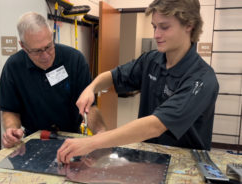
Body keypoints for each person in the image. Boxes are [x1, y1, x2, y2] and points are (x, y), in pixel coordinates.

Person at [57, 0, 219, 163]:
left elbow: (155, 125)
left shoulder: (202, 78)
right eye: (154, 26)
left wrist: (92, 142)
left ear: (189, 25)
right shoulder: (151, 60)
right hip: (148, 159)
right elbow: (113, 76)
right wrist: (91, 88)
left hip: (185, 165)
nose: (156, 34)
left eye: (164, 27)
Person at [0, 12, 106, 148]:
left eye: (49, 46)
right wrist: (12, 130)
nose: (45, 56)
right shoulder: (13, 67)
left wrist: (101, 133)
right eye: (37, 51)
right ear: (23, 46)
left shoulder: (75, 60)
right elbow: (10, 109)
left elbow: (89, 107)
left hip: (72, 138)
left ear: (52, 36)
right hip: (33, 140)